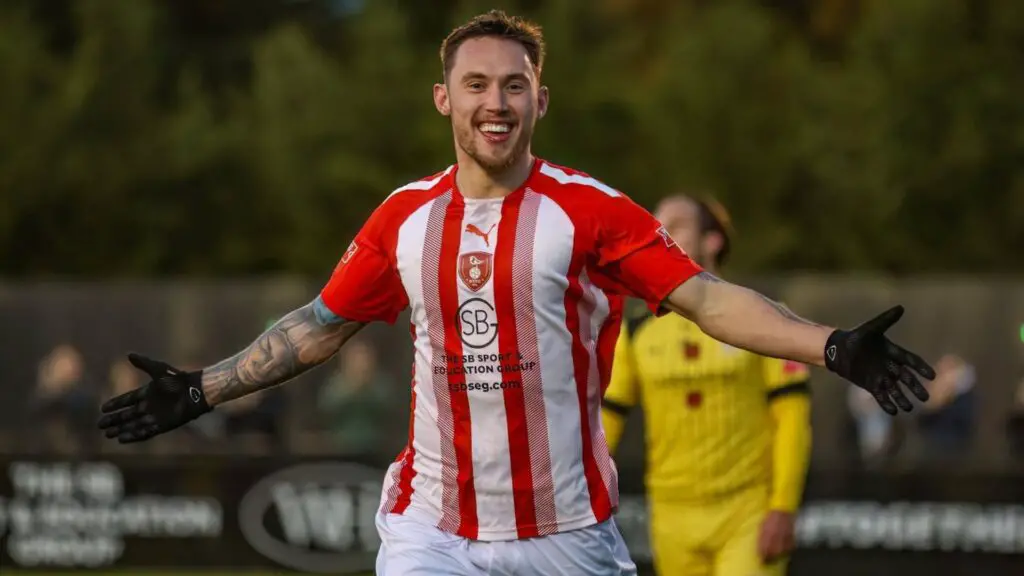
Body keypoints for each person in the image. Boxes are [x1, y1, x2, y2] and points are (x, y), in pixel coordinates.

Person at [96, 10, 935, 576]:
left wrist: (832, 346)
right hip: (432, 529)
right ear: (443, 99)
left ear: (540, 98)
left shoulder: (591, 211)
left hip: (565, 534)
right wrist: (204, 388)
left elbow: (709, 300)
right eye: (476, 85)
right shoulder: (402, 220)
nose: (494, 104)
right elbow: (318, 328)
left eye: (512, 86)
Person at [602, 195, 811, 576]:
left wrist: (783, 505)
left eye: (677, 224)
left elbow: (792, 417)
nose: (661, 232)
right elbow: (607, 421)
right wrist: (582, 498)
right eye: (657, 223)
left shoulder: (762, 317)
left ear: (712, 241)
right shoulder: (635, 331)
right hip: (670, 515)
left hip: (747, 510)